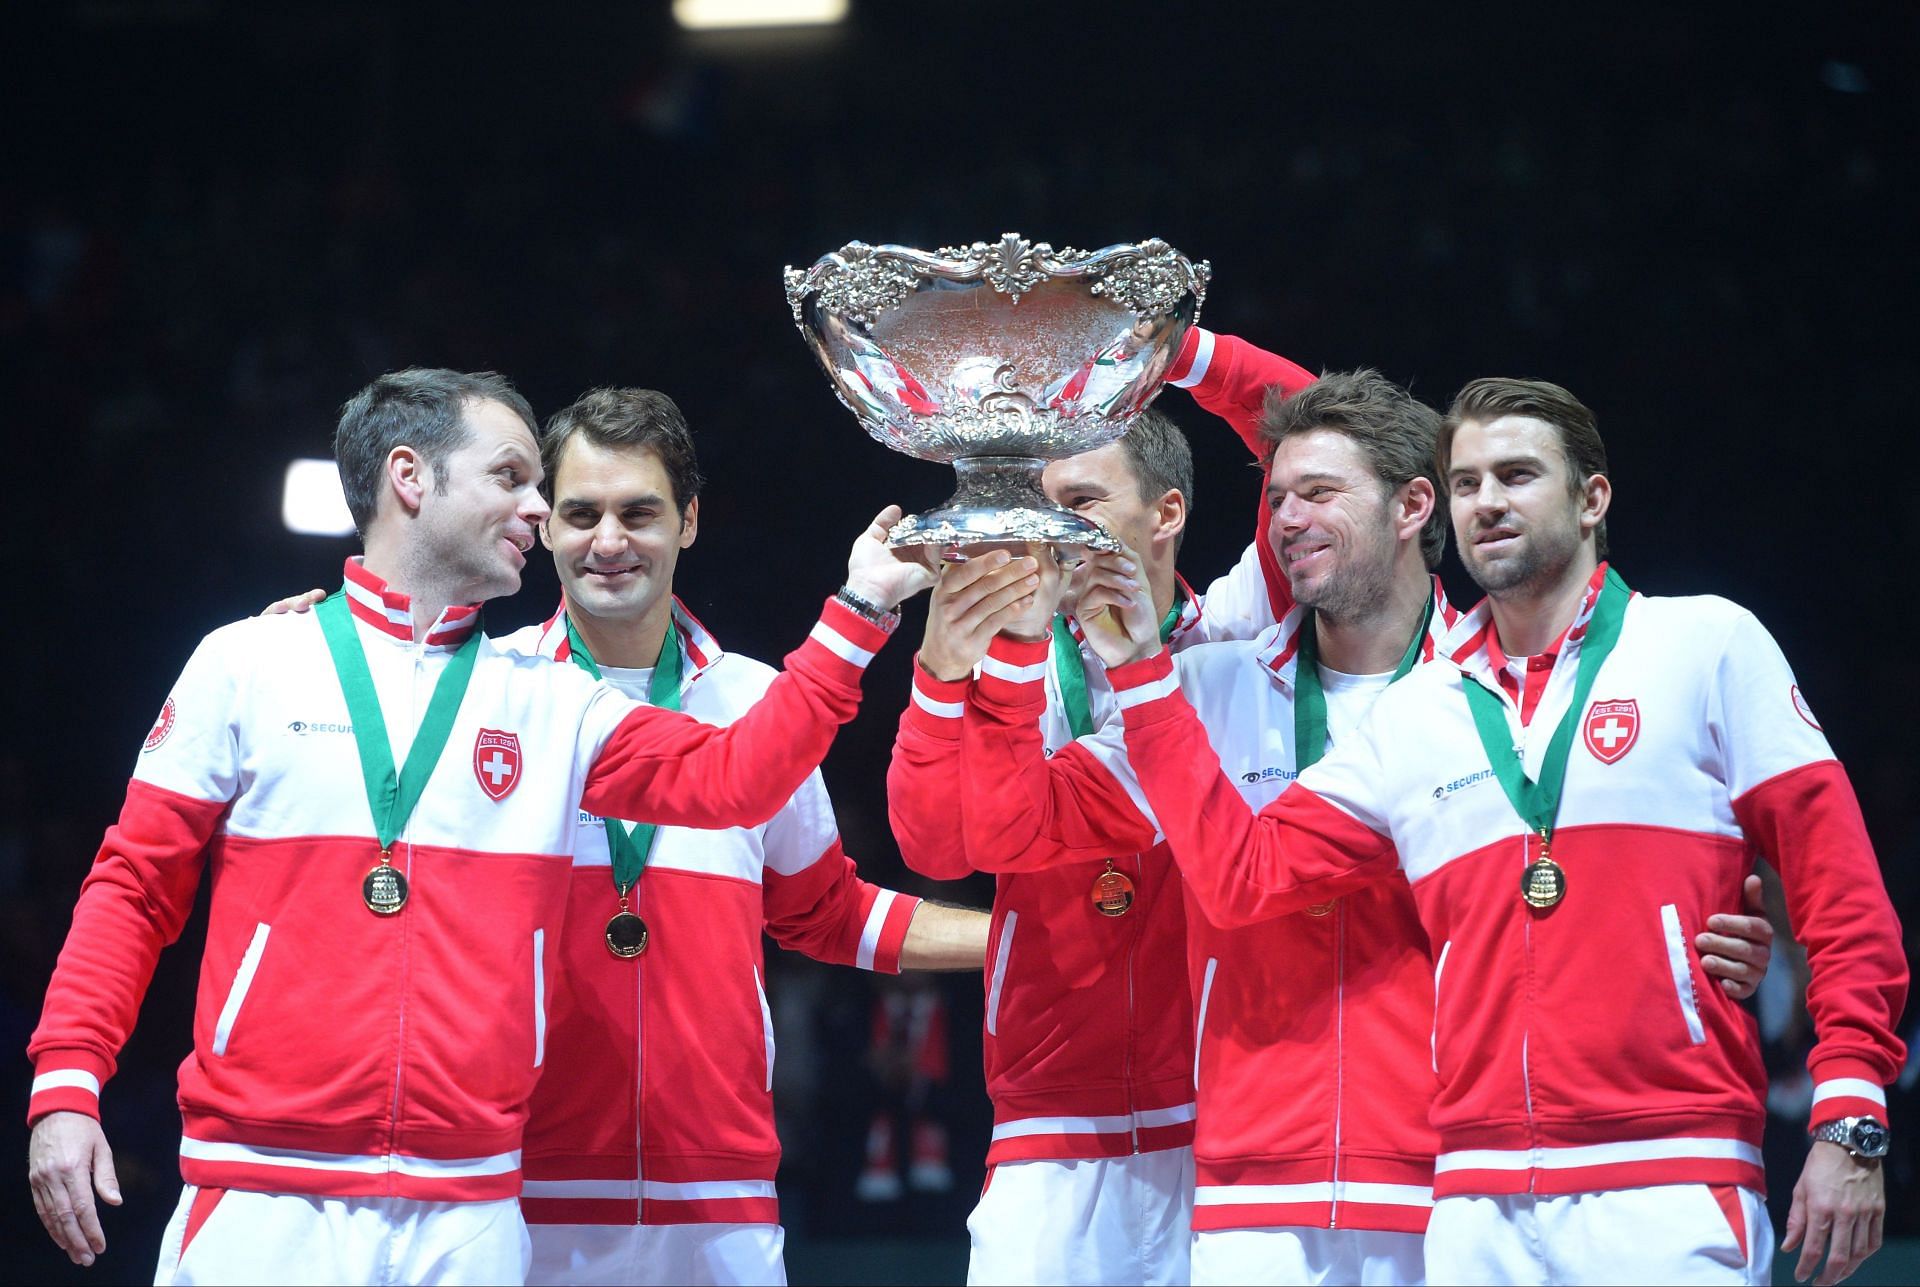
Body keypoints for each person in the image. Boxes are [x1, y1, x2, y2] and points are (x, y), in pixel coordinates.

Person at [25, 368, 952, 1284]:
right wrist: (67, 1079)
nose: (540, 511)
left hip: (471, 1207)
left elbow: (733, 778)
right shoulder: (251, 661)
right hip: (265, 1187)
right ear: (410, 478)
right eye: (514, 479)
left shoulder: (549, 701)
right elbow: (133, 885)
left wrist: (860, 612)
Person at [935, 368, 1776, 1286]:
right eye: (1279, 496)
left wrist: (1697, 935)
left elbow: (1587, 875)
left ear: (1415, 506)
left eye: (1319, 493)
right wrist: (1006, 654)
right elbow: (1002, 832)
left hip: (1451, 1184)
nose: (1287, 518)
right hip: (1252, 1190)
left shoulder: (1488, 700)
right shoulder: (1204, 691)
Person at [494, 388, 991, 1286]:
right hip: (519, 1186)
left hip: (717, 1190)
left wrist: (1014, 940)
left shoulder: (760, 702)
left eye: (639, 512)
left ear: (689, 520)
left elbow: (825, 912)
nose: (609, 541)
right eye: (582, 514)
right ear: (546, 526)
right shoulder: (485, 699)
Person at [887, 322, 1318, 1285]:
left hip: (1228, 1118)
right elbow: (931, 840)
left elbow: (1308, 423)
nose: (1056, 533)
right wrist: (942, 670)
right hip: (1051, 1125)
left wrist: (1168, 348)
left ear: (1167, 512)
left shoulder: (1244, 635)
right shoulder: (1011, 659)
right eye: (1041, 509)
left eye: (1081, 502)